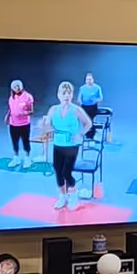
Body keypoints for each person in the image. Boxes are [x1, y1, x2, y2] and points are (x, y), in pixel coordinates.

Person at [42, 81, 86, 211]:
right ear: (58, 95)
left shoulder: (76, 110)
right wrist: (46, 126)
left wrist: (80, 134)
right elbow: (47, 124)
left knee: (66, 172)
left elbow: (88, 123)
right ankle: (62, 196)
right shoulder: (53, 109)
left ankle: (74, 196)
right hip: (58, 144)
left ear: (72, 95)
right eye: (64, 93)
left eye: (69, 93)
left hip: (71, 145)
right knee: (58, 170)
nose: (66, 96)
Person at [4, 78, 34, 170]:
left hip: (24, 124)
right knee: (14, 141)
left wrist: (25, 113)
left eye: (17, 86)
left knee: (25, 141)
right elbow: (10, 109)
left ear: (21, 87)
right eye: (14, 87)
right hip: (13, 124)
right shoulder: (11, 97)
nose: (16, 88)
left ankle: (27, 158)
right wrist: (7, 116)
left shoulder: (28, 97)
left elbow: (32, 111)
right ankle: (16, 158)